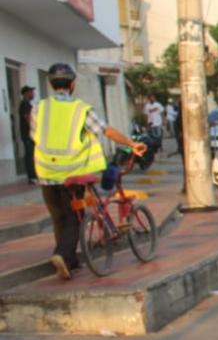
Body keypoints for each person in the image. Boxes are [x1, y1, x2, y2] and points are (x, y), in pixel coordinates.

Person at [31, 64, 148, 280]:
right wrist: (131, 144)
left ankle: (69, 261)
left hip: (46, 172)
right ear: (73, 84)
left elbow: (34, 135)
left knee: (58, 217)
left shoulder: (39, 108)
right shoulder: (80, 109)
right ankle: (62, 255)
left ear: (50, 83)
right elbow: (106, 130)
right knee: (74, 218)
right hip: (72, 174)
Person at [19, 85, 36, 184]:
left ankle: (33, 176)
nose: (33, 94)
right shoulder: (25, 104)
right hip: (28, 134)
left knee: (31, 154)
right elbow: (28, 118)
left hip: (28, 134)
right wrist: (35, 129)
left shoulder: (27, 104)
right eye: (31, 92)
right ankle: (32, 177)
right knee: (30, 155)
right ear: (26, 93)